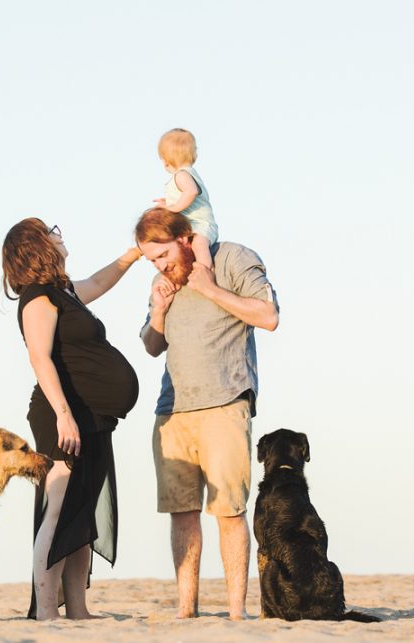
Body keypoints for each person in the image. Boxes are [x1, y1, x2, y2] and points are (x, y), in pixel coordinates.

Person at [135, 208, 278, 620]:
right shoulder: (162, 281)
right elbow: (150, 344)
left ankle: (236, 613)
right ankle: (186, 610)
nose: (159, 266)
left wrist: (212, 289)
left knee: (229, 511)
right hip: (172, 411)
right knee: (182, 513)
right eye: (151, 260)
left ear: (184, 238)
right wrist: (158, 312)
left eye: (162, 255)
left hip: (225, 403)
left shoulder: (233, 258)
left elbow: (268, 317)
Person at [1, 218, 141, 620]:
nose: (59, 234)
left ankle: (78, 609)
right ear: (36, 247)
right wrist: (64, 416)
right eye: (51, 230)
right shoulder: (37, 299)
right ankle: (47, 612)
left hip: (92, 414)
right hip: (62, 414)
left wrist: (134, 254)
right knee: (60, 507)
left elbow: (98, 282)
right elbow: (39, 358)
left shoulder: (64, 293)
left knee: (81, 513)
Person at [152, 128, 219, 269]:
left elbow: (191, 192)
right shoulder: (187, 174)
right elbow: (184, 196)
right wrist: (168, 202)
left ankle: (205, 271)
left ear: (166, 160)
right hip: (191, 226)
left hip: (201, 225)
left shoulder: (181, 175)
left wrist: (173, 208)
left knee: (199, 245)